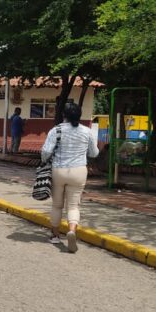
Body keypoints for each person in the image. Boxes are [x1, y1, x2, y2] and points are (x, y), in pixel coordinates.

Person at [41, 102, 99, 252]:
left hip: (59, 170)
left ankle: (55, 235)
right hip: (79, 171)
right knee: (73, 205)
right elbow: (94, 153)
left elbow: (46, 152)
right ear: (79, 115)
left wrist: (45, 160)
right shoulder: (87, 131)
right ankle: (72, 231)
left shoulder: (56, 130)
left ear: (64, 115)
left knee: (57, 205)